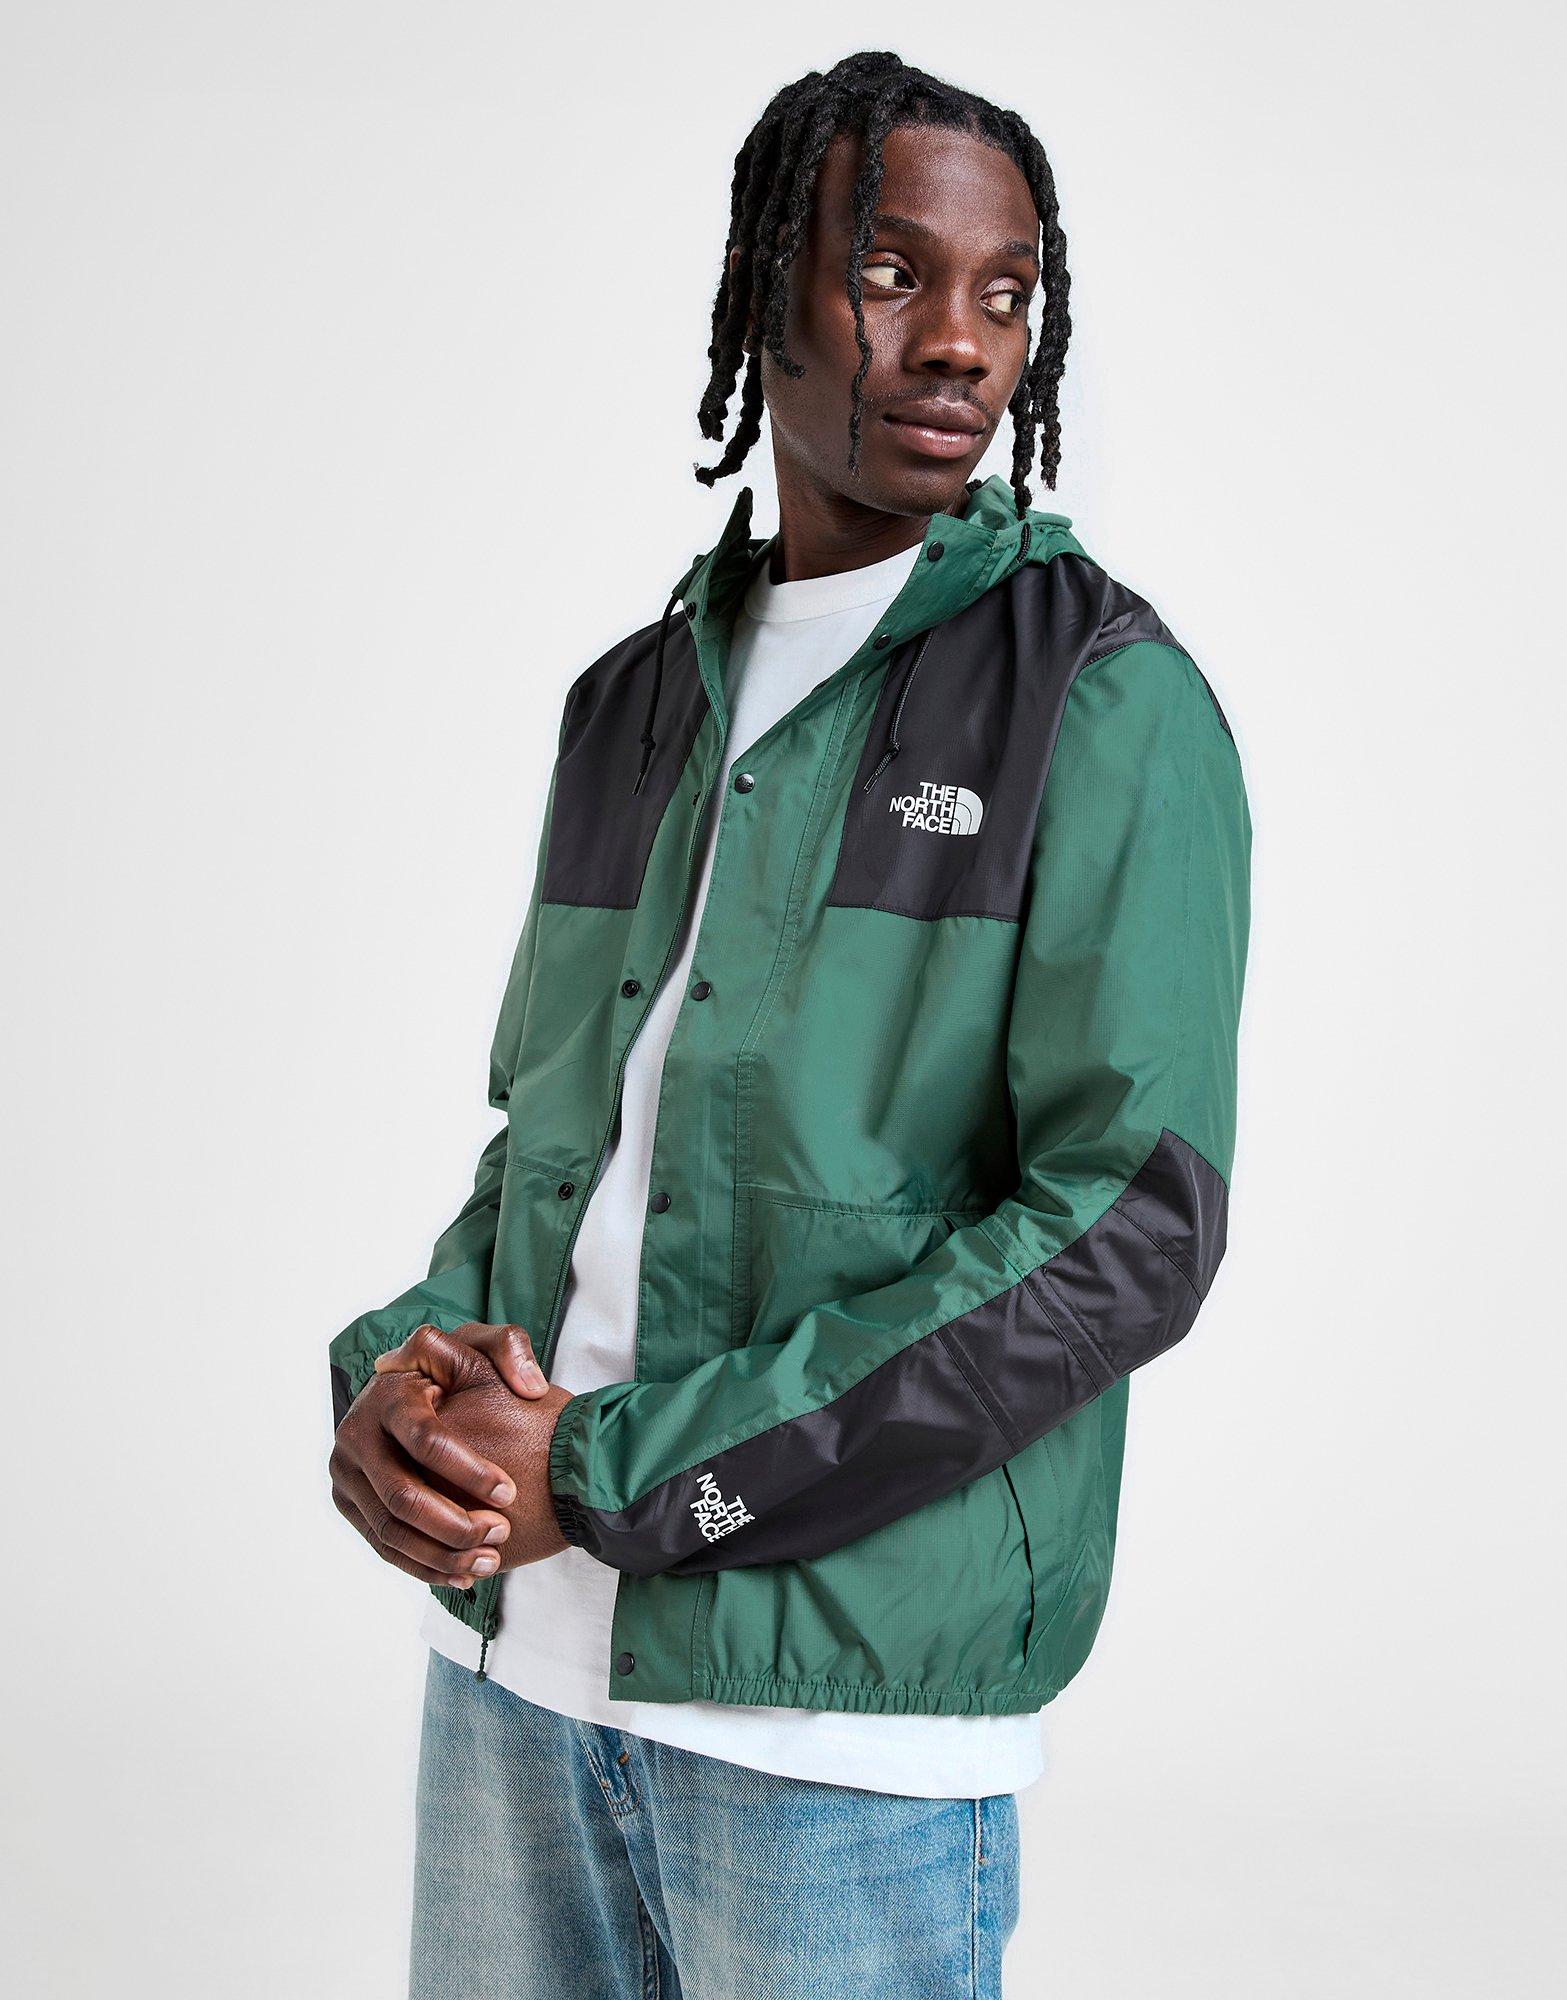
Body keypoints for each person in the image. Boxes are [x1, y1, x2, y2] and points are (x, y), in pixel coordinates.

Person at [327, 49, 1250, 2000]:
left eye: (1006, 293)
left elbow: (1125, 1229)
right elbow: (554, 1154)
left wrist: (623, 1469)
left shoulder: (1099, 700)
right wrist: (396, 1389)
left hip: (835, 1736)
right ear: (767, 289)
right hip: (508, 1684)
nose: (961, 341)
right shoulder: (630, 703)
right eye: (892, 272)